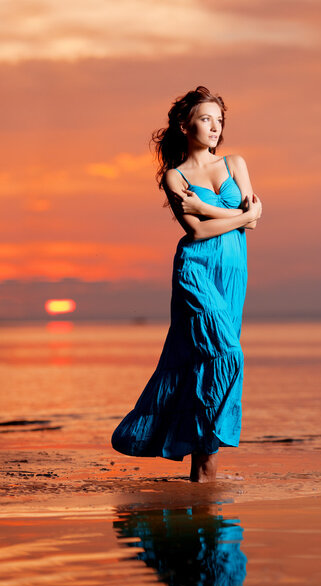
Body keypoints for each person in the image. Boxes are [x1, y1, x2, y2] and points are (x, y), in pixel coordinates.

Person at [111, 85, 262, 482]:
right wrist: (231, 216)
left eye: (219, 120)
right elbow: (196, 232)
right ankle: (202, 457)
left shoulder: (236, 163)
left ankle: (203, 473)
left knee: (203, 366)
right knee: (229, 354)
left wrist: (207, 207)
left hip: (231, 274)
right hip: (194, 272)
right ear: (184, 125)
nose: (215, 127)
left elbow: (254, 219)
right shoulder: (174, 177)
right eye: (206, 119)